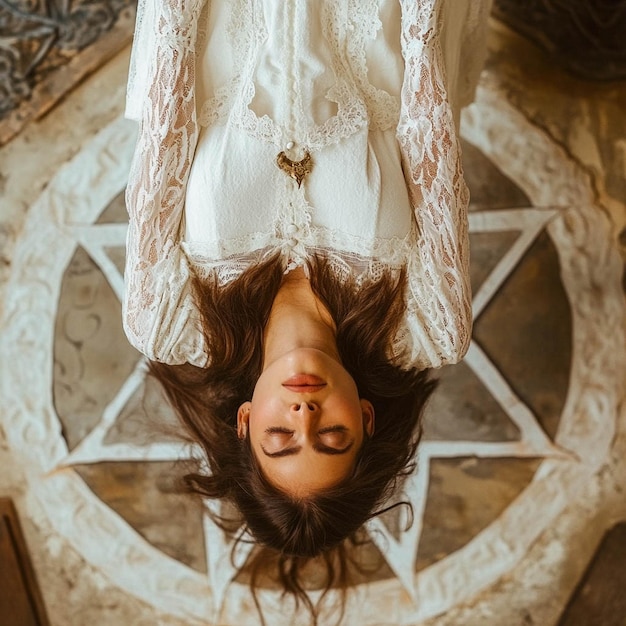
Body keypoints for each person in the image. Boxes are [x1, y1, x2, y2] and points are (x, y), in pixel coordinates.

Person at [123, 0, 492, 619]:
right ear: (367, 419)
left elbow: (163, 140)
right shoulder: (428, 326)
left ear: (243, 423)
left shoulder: (167, 319)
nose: (304, 412)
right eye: (331, 435)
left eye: (280, 437)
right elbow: (430, 131)